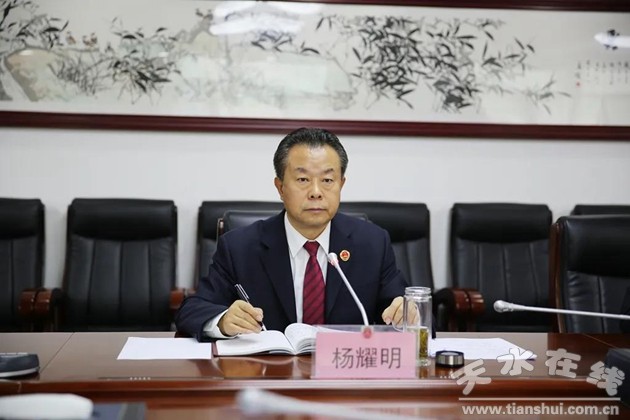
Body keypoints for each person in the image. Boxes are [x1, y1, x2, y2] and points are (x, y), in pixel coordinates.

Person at [176, 127, 407, 341]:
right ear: (280, 187)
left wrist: (405, 314)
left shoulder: (373, 244)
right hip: (266, 368)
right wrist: (223, 320)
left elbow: (402, 309)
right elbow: (192, 310)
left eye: (327, 180)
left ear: (341, 184)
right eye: (303, 179)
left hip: (343, 368)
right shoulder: (239, 247)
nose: (316, 192)